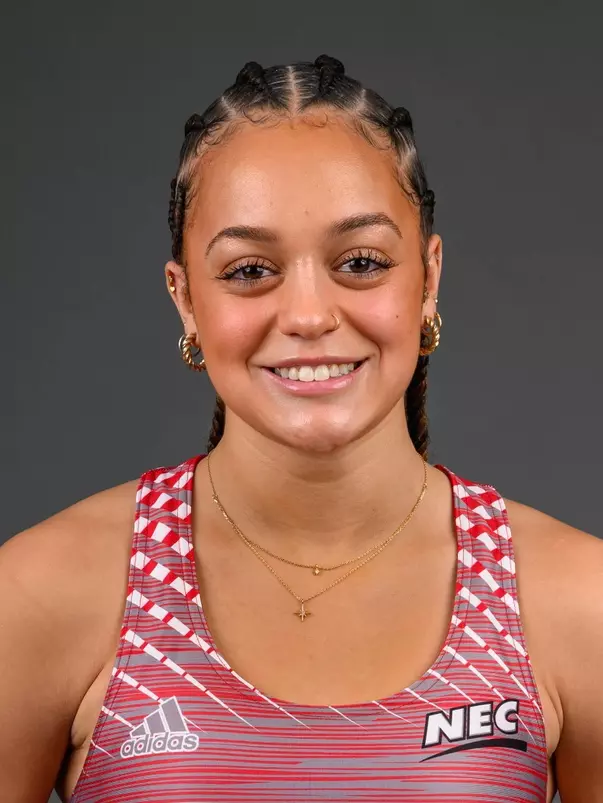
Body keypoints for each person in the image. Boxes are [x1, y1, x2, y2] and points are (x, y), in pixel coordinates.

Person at [1, 54, 601, 803]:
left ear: (428, 279)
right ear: (185, 298)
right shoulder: (42, 596)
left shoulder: (576, 603)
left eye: (360, 261)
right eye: (250, 270)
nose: (310, 315)